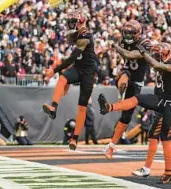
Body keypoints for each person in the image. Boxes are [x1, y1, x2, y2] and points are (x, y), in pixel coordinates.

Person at [98, 42, 171, 184]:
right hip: (161, 100)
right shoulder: (167, 59)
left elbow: (158, 66)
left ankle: (168, 172)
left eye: (159, 55)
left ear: (166, 54)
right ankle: (110, 107)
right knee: (138, 98)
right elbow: (151, 62)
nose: (157, 57)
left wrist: (144, 53)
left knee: (166, 138)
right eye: (156, 55)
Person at [42, 11, 99, 151]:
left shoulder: (85, 36)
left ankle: (75, 138)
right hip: (78, 68)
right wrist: (67, 81)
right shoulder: (76, 34)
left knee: (82, 107)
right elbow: (76, 60)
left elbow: (73, 57)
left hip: (88, 73)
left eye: (73, 21)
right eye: (70, 21)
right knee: (62, 79)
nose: (71, 24)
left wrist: (53, 70)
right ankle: (53, 108)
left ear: (81, 22)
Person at [104, 19, 151, 159]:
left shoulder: (145, 43)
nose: (128, 37)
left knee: (126, 117)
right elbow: (125, 58)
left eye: (131, 34)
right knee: (124, 75)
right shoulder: (123, 42)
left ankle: (111, 146)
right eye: (126, 33)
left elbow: (130, 55)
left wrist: (115, 47)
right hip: (127, 73)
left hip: (137, 81)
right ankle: (121, 87)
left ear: (138, 34)